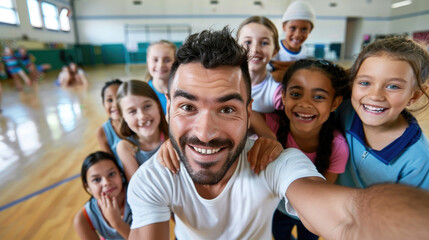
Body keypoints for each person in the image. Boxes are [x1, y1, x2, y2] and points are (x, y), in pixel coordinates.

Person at [127, 27, 429, 240]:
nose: (205, 133)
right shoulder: (154, 177)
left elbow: (346, 215)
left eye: (228, 109)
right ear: (168, 111)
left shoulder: (274, 160)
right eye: (188, 107)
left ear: (249, 111)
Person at [265, 59, 349, 240]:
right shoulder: (271, 126)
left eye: (318, 97)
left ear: (335, 103)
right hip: (277, 211)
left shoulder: (338, 147)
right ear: (283, 96)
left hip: (313, 215)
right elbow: (250, 113)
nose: (305, 104)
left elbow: (324, 194)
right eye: (296, 94)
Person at [336, 37, 429, 189]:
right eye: (365, 83)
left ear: (415, 96)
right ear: (353, 83)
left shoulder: (419, 161)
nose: (375, 96)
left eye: (393, 86)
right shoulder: (344, 111)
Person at [236, 16, 283, 140]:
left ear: (275, 51)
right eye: (248, 42)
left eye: (264, 43)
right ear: (236, 47)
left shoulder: (276, 90)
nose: (255, 49)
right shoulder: (222, 83)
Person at [116, 80, 168, 180]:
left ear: (157, 105)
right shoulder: (126, 147)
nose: (142, 116)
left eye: (147, 106)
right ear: (124, 117)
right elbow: (138, 190)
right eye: (132, 111)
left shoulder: (173, 135)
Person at [74, 151, 131, 240]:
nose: (106, 182)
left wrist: (116, 223)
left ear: (120, 174)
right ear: (87, 187)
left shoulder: (137, 197)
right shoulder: (83, 218)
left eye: (111, 174)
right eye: (97, 179)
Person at [270, 1, 316, 81]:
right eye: (293, 28)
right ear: (284, 27)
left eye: (304, 29)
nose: (297, 35)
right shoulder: (274, 48)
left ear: (310, 30)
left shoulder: (305, 51)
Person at [96, 79, 125, 169]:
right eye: (109, 100)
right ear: (103, 104)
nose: (115, 105)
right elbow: (110, 165)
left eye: (119, 98)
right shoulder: (102, 132)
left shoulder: (137, 122)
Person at [145, 40, 176, 114]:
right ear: (148, 62)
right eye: (155, 60)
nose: (160, 65)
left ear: (176, 62)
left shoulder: (183, 91)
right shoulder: (143, 92)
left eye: (167, 60)